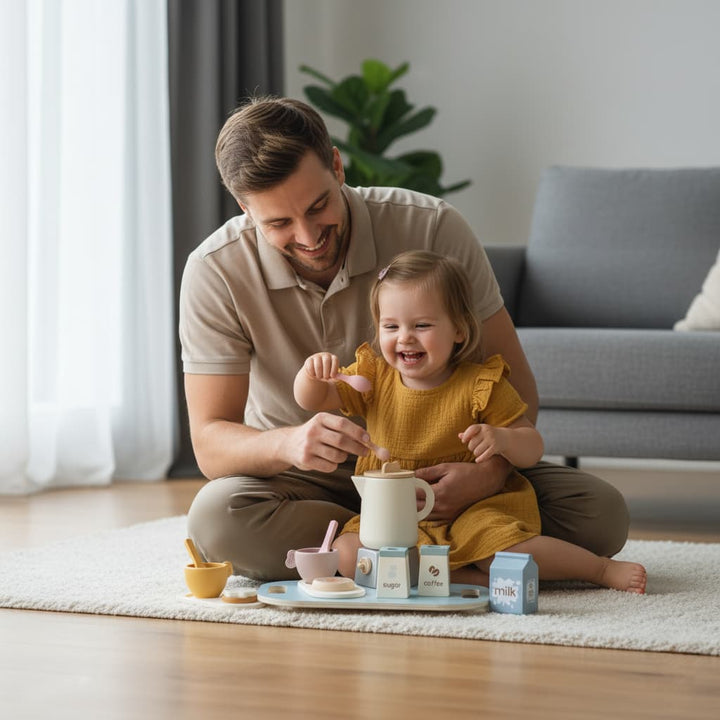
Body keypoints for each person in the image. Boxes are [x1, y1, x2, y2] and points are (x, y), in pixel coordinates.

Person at [179, 94, 630, 582]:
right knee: (216, 518)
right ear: (245, 208)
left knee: (601, 515)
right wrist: (289, 444)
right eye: (279, 224)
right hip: (304, 487)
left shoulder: (432, 227)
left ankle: (384, 564)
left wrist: (487, 474)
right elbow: (210, 440)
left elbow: (515, 389)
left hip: (443, 477)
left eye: (318, 206)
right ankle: (447, 565)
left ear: (336, 165)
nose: (309, 236)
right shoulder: (215, 270)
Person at [294, 250, 646, 593]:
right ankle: (471, 580)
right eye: (391, 326)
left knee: (503, 549)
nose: (404, 337)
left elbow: (532, 444)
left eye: (422, 325)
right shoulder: (373, 376)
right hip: (397, 515)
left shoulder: (480, 384)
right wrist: (312, 375)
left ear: (459, 330)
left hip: (475, 509)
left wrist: (504, 440)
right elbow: (313, 399)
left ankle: (598, 569)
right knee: (348, 552)